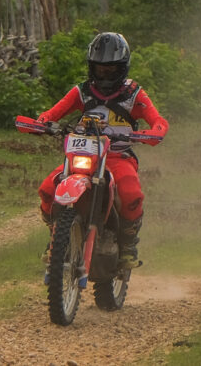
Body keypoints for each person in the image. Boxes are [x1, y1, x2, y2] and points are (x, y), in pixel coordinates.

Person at [36, 31, 169, 270]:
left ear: (123, 68)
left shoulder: (134, 94)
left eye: (111, 69)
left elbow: (157, 120)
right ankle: (56, 237)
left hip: (117, 156)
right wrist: (42, 122)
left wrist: (155, 131)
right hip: (82, 154)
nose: (104, 74)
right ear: (91, 67)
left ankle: (128, 245)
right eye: (99, 69)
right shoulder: (82, 91)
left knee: (130, 194)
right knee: (47, 190)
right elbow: (54, 112)